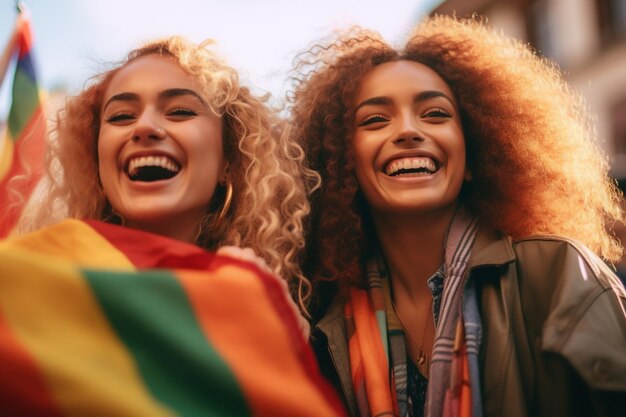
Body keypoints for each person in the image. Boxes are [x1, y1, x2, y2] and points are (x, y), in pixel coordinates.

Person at [288, 15, 626, 417]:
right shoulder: (318, 327)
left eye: (435, 114)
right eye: (376, 119)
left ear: (474, 153)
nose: (409, 131)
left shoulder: (559, 274)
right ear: (343, 163)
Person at [0, 36, 345, 416]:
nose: (144, 127)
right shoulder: (38, 277)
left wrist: (282, 343)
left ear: (230, 159)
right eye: (120, 116)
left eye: (179, 112)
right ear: (94, 156)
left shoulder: (275, 312)